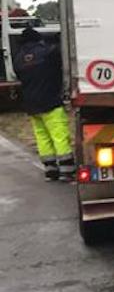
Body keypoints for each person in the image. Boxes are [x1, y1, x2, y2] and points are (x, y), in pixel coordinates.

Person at [13, 27, 73, 181]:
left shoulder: (19, 58)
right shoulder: (48, 52)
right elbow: (61, 65)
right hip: (50, 101)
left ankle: (50, 170)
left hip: (31, 104)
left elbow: (19, 76)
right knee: (59, 135)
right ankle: (66, 170)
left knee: (42, 137)